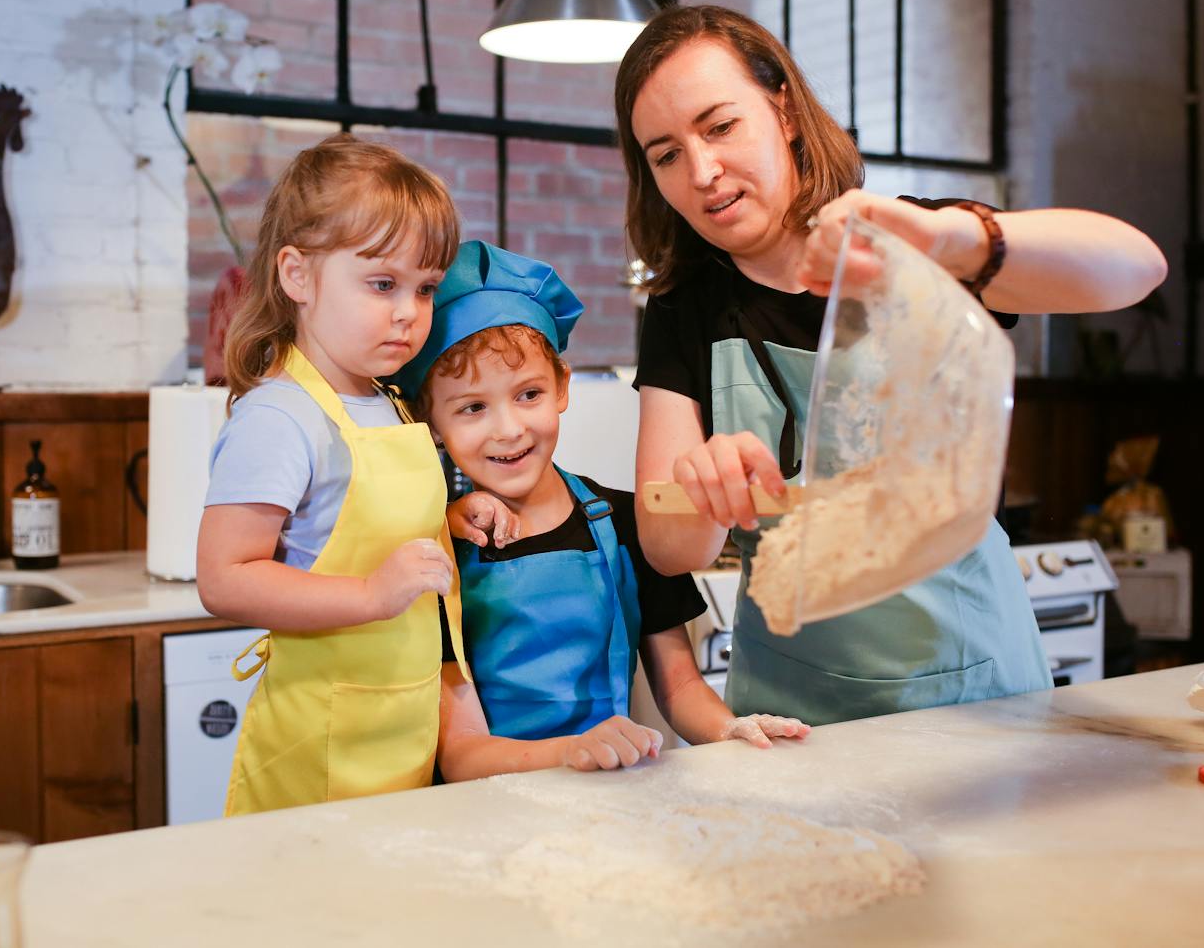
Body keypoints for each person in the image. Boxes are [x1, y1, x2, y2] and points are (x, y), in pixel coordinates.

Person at [617, 5, 1169, 726]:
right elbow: (667, 548)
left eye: (720, 126)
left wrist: (954, 239)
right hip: (790, 713)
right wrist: (707, 488)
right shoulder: (682, 308)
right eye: (665, 155)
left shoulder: (909, 247)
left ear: (783, 109)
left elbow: (1136, 268)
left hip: (974, 695)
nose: (703, 171)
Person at [387, 241, 807, 778]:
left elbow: (679, 685)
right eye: (472, 407)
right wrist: (572, 750)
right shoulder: (437, 552)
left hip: (609, 801)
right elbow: (463, 754)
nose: (509, 429)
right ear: (429, 417)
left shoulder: (627, 523)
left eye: (528, 395)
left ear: (562, 386)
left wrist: (729, 731)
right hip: (489, 818)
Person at [195, 133, 467, 814]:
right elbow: (224, 577)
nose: (409, 311)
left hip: (397, 731)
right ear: (298, 275)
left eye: (425, 287)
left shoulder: (388, 399)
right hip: (317, 747)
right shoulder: (280, 416)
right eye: (382, 283)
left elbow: (368, 531)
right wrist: (372, 594)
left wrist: (457, 522)